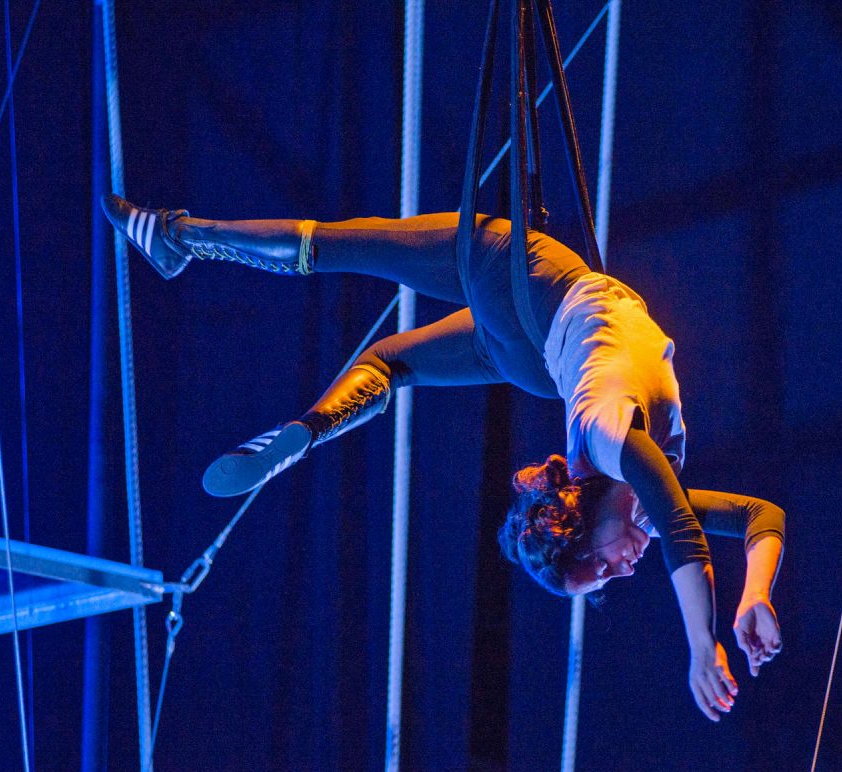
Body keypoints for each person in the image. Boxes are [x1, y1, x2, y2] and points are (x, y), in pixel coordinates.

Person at [101, 193, 785, 721]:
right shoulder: (628, 468)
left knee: (344, 249)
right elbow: (759, 515)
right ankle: (310, 427)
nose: (622, 568)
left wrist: (701, 644)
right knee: (391, 358)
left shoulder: (609, 438)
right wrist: (753, 594)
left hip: (528, 288)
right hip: (537, 346)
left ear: (578, 523)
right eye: (607, 575)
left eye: (600, 566)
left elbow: (681, 526)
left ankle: (182, 238)